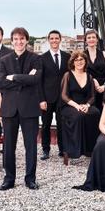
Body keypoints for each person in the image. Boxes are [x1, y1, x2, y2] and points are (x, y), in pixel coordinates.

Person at [0, 27, 42, 191]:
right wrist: (25, 78)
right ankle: (9, 179)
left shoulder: (35, 59)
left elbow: (36, 79)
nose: (19, 42)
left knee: (31, 146)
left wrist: (14, 77)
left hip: (29, 108)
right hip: (9, 108)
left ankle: (30, 179)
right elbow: (1, 82)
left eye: (22, 39)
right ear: (12, 40)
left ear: (27, 40)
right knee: (9, 146)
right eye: (15, 39)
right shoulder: (4, 60)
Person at [58, 50, 100, 160]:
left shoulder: (89, 76)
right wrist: (77, 106)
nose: (79, 62)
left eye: (81, 59)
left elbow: (92, 96)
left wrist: (87, 105)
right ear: (72, 62)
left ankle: (91, 150)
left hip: (85, 105)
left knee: (95, 113)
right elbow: (64, 96)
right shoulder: (67, 75)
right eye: (76, 60)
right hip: (69, 106)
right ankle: (74, 150)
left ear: (85, 61)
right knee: (78, 116)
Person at [38, 29, 70, 160]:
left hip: (62, 97)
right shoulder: (42, 58)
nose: (54, 41)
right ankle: (46, 150)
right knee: (46, 124)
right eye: (52, 38)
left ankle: (63, 149)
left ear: (60, 39)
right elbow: (39, 80)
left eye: (57, 38)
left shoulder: (67, 56)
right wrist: (41, 99)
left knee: (62, 124)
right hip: (47, 97)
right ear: (48, 40)